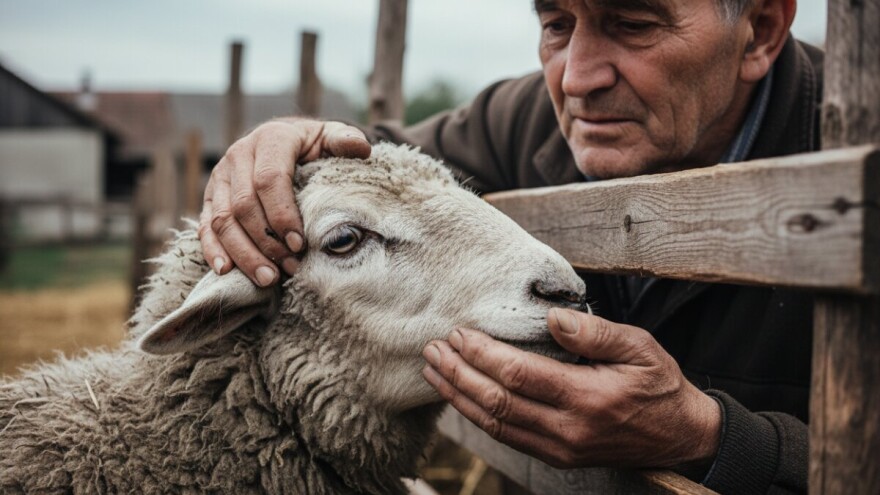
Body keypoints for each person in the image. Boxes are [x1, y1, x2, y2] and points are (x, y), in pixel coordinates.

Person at [199, 0, 820, 492]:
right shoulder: (524, 119)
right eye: (556, 23)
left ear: (761, 30)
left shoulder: (844, 148)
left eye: (632, 23)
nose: (575, 78)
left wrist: (711, 438)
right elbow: (378, 166)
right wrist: (287, 139)